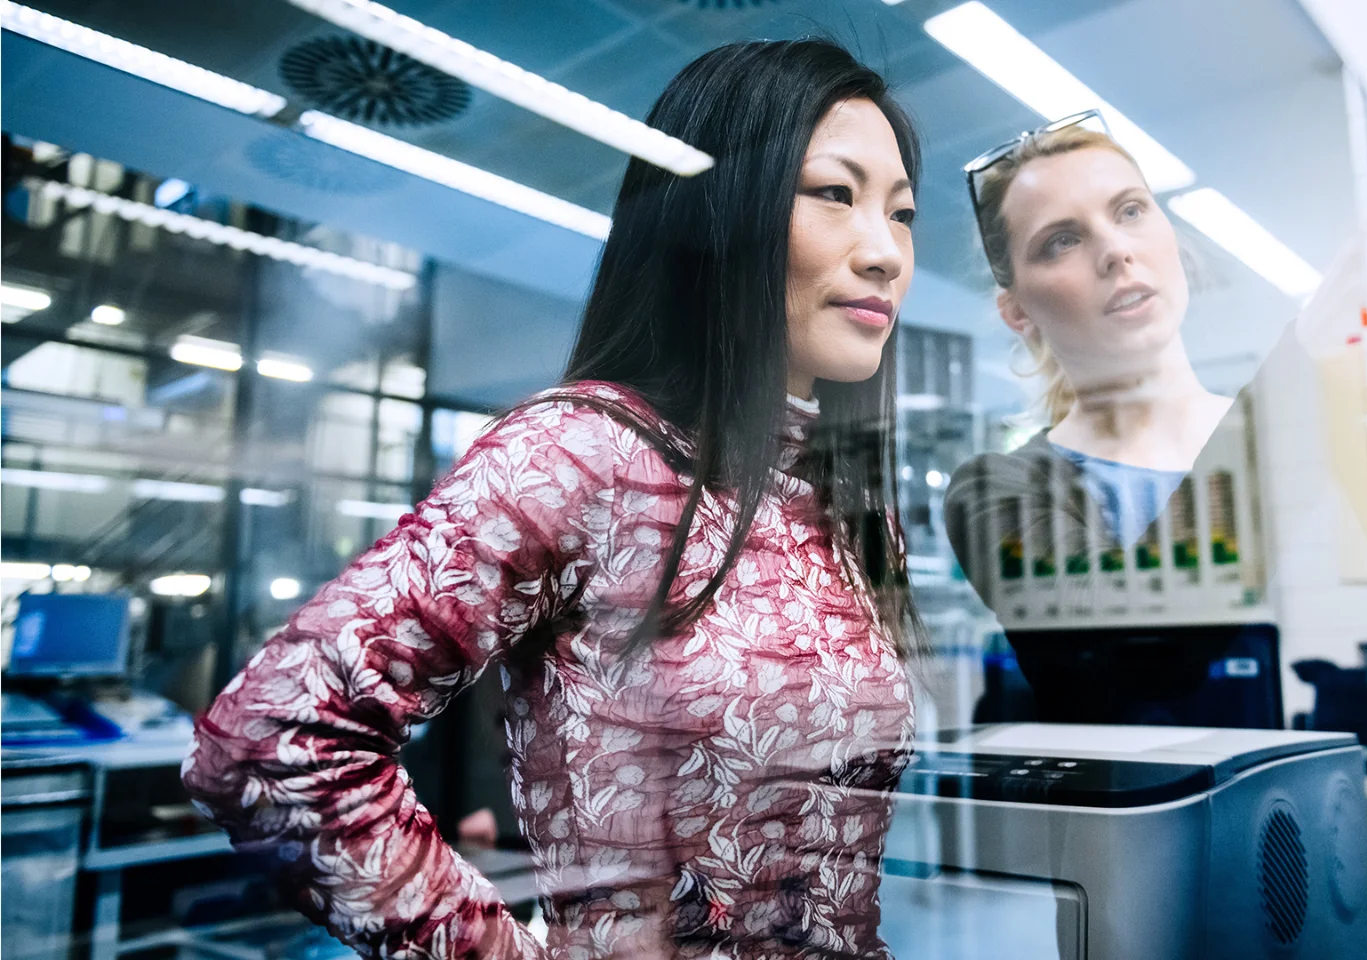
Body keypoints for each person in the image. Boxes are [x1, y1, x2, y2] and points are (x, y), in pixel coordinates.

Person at [184, 38, 924, 960]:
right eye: (835, 193)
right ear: (721, 211)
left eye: (902, 214)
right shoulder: (584, 453)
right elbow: (274, 742)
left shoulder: (845, 501)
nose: (887, 252)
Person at [944, 114, 1232, 604]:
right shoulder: (1001, 492)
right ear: (1018, 312)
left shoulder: (1293, 434)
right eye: (1062, 241)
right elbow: (1133, 656)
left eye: (1130, 211)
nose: (1116, 250)